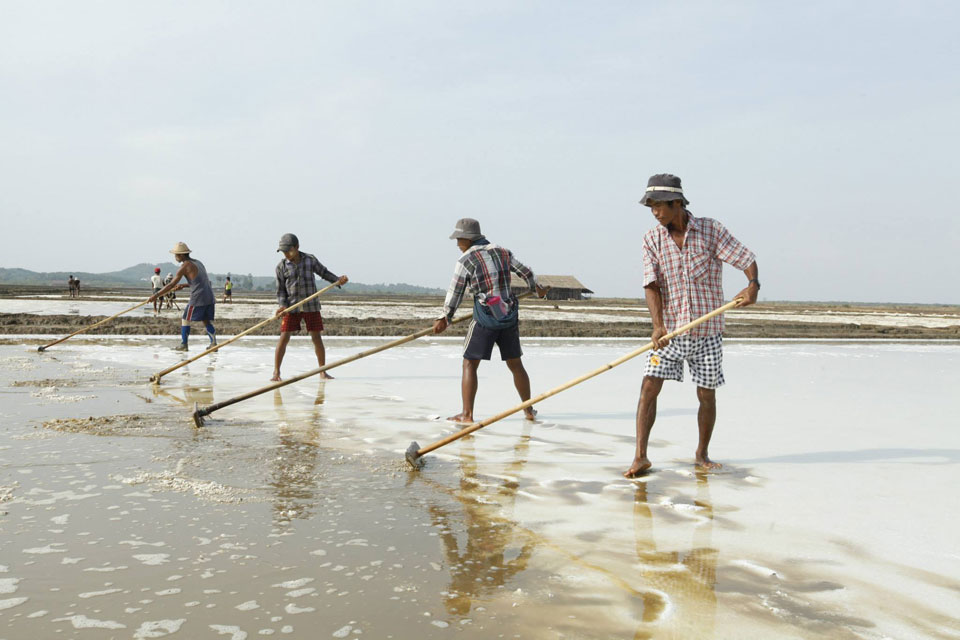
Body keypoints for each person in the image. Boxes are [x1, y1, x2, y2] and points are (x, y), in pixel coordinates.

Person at [624, 174, 760, 478]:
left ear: (677, 204)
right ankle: (641, 456)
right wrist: (657, 325)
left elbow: (746, 258)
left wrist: (752, 285)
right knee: (648, 387)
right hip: (670, 333)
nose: (655, 213)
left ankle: (701, 454)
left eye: (659, 206)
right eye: (651, 208)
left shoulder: (710, 231)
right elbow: (651, 284)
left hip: (707, 331)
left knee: (706, 395)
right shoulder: (652, 239)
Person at [433, 218, 547, 423]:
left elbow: (455, 292)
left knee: (469, 363)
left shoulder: (466, 260)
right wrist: (536, 288)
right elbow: (527, 272)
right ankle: (528, 411)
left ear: (467, 239)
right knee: (515, 363)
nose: (458, 244)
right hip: (507, 313)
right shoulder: (503, 252)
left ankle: (467, 415)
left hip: (486, 317)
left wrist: (445, 317)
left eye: (459, 239)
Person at [272, 233, 348, 382]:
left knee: (316, 337)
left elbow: (324, 273)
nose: (286, 254)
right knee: (284, 337)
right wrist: (282, 306)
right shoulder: (281, 267)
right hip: (291, 307)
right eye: (284, 252)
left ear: (297, 247)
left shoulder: (309, 260)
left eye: (288, 250)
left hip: (311, 306)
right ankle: (276, 373)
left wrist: (338, 280)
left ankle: (322, 371)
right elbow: (281, 291)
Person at [149, 242, 217, 351]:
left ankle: (184, 345)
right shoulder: (198, 262)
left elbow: (171, 285)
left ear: (181, 255)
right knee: (205, 319)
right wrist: (184, 285)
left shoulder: (184, 266)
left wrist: (156, 295)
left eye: (176, 254)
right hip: (209, 296)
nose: (175, 257)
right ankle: (214, 343)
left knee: (185, 319)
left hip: (198, 298)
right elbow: (201, 281)